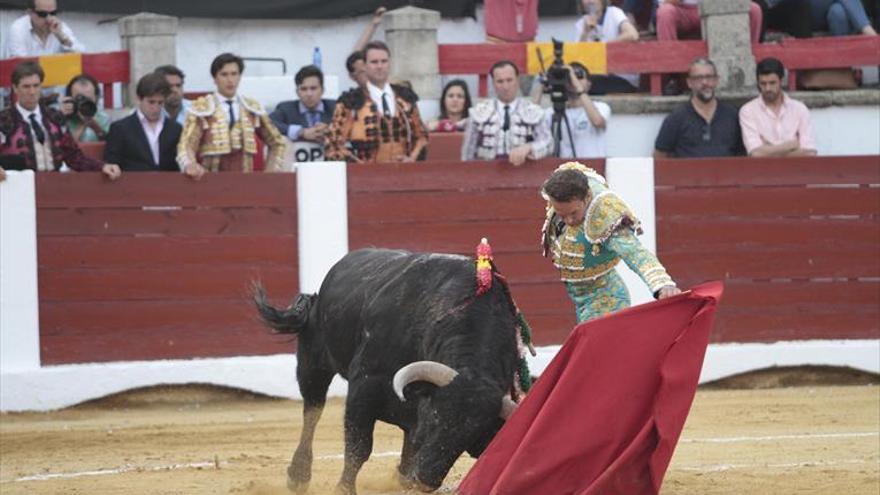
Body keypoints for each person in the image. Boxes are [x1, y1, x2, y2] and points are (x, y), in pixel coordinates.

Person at [540, 162, 680, 322]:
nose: (569, 220)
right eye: (562, 215)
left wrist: (662, 284)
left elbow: (635, 252)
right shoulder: (562, 187)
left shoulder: (606, 213)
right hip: (581, 300)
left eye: (573, 213)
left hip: (606, 299)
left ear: (587, 197)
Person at [0, 61, 121, 181]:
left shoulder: (55, 117)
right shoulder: (3, 120)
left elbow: (73, 157)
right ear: (15, 88)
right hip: (17, 190)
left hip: (54, 188)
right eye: (26, 86)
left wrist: (101, 166)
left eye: (36, 86)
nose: (32, 92)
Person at [177, 53, 287, 178]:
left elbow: (277, 142)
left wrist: (270, 173)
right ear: (215, 78)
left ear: (240, 76)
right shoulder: (201, 108)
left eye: (234, 74)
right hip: (210, 184)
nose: (230, 80)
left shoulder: (252, 108)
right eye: (224, 74)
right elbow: (186, 145)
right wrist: (190, 165)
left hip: (245, 182)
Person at [325, 41, 428, 163]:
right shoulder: (350, 102)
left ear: (389, 64)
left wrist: (411, 159)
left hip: (404, 174)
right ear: (364, 66)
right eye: (374, 62)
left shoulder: (405, 97)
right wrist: (360, 167)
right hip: (364, 177)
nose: (380, 66)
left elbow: (422, 137)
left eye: (384, 61)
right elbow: (334, 144)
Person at [461, 60, 551, 165]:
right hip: (487, 173)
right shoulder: (479, 111)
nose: (505, 87)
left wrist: (529, 147)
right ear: (493, 83)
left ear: (517, 81)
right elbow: (468, 151)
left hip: (523, 172)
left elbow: (548, 143)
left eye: (509, 80)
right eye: (500, 81)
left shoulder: (533, 110)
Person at [654, 58, 744, 158]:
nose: (705, 82)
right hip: (688, 173)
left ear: (716, 80)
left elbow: (742, 154)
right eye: (698, 78)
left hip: (726, 173)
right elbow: (659, 156)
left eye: (709, 77)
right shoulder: (676, 118)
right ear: (689, 82)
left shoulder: (732, 114)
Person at [103, 73, 182, 172]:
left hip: (167, 185)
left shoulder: (175, 129)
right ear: (139, 98)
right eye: (151, 102)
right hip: (133, 185)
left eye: (160, 103)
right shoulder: (120, 129)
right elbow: (112, 163)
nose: (156, 108)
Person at [739, 57, 817, 157]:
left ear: (781, 81)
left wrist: (768, 149)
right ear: (758, 83)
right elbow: (756, 154)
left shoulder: (799, 109)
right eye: (763, 83)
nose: (768, 88)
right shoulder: (748, 111)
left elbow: (810, 153)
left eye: (772, 83)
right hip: (763, 171)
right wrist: (790, 146)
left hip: (796, 170)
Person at [538, 63, 610, 158]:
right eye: (570, 77)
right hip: (566, 170)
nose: (574, 80)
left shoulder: (601, 107)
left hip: (591, 170)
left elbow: (597, 122)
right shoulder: (552, 112)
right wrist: (542, 83)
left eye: (579, 76)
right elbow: (529, 117)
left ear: (589, 84)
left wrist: (577, 86)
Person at [575, 0, 640, 94]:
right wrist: (585, 32)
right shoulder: (581, 24)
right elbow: (578, 58)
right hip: (597, 76)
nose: (590, 1)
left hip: (622, 77)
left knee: (585, 85)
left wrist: (603, 45)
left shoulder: (613, 13)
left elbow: (633, 34)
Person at [270, 65, 336, 143]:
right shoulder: (286, 109)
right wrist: (300, 132)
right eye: (304, 89)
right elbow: (268, 123)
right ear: (297, 92)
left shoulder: (336, 107)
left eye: (313, 88)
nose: (309, 94)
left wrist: (330, 130)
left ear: (322, 90)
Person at [656, 0, 763, 44]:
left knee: (754, 10)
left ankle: (751, 58)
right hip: (682, 9)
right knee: (665, 12)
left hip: (717, 7)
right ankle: (671, 72)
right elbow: (666, 2)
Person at [3, 0, 84, 58]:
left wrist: (61, 37)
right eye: (43, 14)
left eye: (53, 13)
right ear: (29, 13)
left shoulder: (59, 26)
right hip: (29, 80)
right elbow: (19, 65)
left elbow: (82, 56)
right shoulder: (18, 29)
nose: (49, 19)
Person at [61, 74, 111, 143]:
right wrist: (60, 117)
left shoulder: (103, 118)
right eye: (79, 99)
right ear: (70, 98)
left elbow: (111, 146)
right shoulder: (63, 119)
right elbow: (63, 147)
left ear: (96, 98)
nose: (84, 104)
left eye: (88, 99)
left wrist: (97, 128)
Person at [810, 0, 877, 35]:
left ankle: (842, 54)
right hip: (809, 12)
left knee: (838, 12)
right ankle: (868, 30)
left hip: (833, 14)